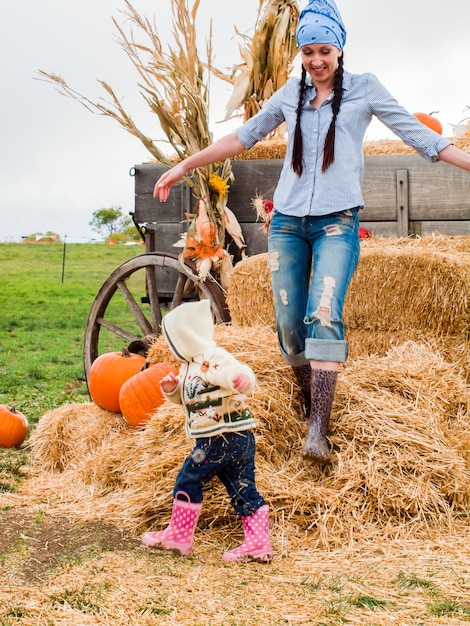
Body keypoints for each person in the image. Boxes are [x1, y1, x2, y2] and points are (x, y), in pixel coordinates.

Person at [153, 0, 470, 464]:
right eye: (308, 52)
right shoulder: (290, 94)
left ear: (339, 49)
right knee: (288, 322)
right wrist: (184, 163)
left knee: (324, 312)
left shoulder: (366, 90)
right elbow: (244, 137)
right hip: (287, 224)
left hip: (337, 223)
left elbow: (420, 136)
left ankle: (317, 431)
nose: (316, 61)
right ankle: (309, 407)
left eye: (324, 50)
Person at [141, 299, 272, 563]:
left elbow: (233, 370)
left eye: (173, 340)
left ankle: (179, 535)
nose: (171, 347)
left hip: (218, 439)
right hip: (238, 438)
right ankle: (258, 544)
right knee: (242, 489)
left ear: (186, 337)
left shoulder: (211, 358)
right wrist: (172, 391)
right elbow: (190, 396)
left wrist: (240, 378)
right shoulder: (190, 364)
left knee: (188, 479)